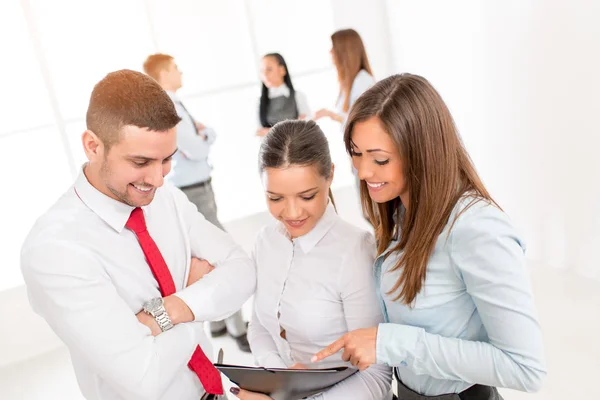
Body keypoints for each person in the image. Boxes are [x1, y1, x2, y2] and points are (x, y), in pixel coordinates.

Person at [21, 69, 256, 400]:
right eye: (141, 161)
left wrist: (169, 310)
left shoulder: (167, 198)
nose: (158, 179)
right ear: (93, 146)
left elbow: (243, 270)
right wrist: (197, 294)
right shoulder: (54, 250)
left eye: (167, 160)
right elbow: (144, 378)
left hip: (215, 392)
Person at [311, 74, 547, 399]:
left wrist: (390, 343)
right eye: (356, 153)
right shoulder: (401, 212)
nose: (363, 172)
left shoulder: (476, 229)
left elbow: (526, 368)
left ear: (422, 151)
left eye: (380, 159)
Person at [230, 120, 392, 400]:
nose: (291, 212)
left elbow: (377, 376)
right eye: (275, 198)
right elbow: (259, 325)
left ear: (329, 176)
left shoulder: (355, 251)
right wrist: (280, 379)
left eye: (306, 196)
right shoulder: (266, 240)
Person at [143, 54, 250, 352]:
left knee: (200, 253)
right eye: (176, 67)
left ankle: (217, 324)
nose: (181, 72)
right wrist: (207, 134)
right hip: (194, 188)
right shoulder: (170, 107)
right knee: (220, 254)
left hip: (189, 187)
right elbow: (195, 148)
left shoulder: (168, 105)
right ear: (164, 73)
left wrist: (201, 133)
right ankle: (238, 330)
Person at [313, 29, 375, 127]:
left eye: (334, 47)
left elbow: (360, 122)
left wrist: (330, 114)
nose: (330, 51)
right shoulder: (349, 83)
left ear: (345, 52)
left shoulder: (363, 81)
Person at [256, 53, 311, 137]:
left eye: (269, 69)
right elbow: (259, 133)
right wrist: (293, 127)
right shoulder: (259, 101)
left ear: (282, 70)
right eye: (262, 70)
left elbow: (307, 127)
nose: (265, 74)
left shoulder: (298, 96)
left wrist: (272, 132)